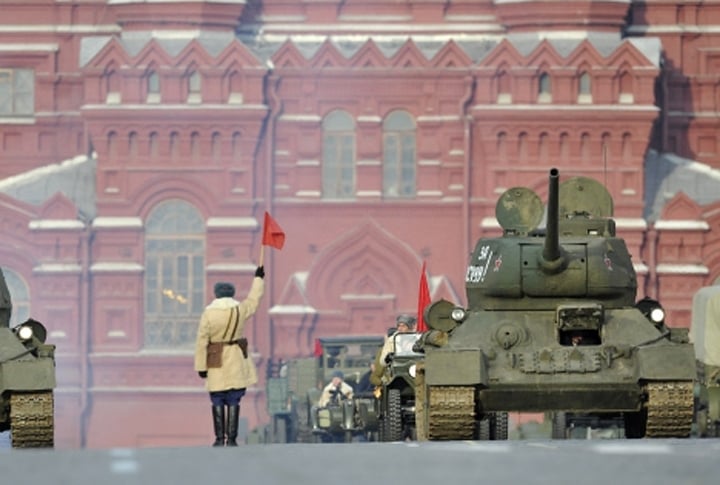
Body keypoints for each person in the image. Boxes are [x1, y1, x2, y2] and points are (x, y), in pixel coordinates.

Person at [194, 265, 265, 447]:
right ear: (232, 294)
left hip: (215, 357)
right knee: (234, 398)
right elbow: (253, 300)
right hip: (235, 356)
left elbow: (202, 341)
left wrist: (201, 367)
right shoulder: (240, 310)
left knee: (217, 398)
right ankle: (232, 439)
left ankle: (219, 439)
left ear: (216, 294)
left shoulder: (208, 314)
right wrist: (258, 279)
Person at [370, 314, 416, 385]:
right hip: (395, 371)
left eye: (403, 326)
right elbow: (382, 361)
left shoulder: (416, 339)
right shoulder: (392, 341)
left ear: (409, 327)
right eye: (399, 326)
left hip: (413, 369)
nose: (400, 328)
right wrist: (387, 358)